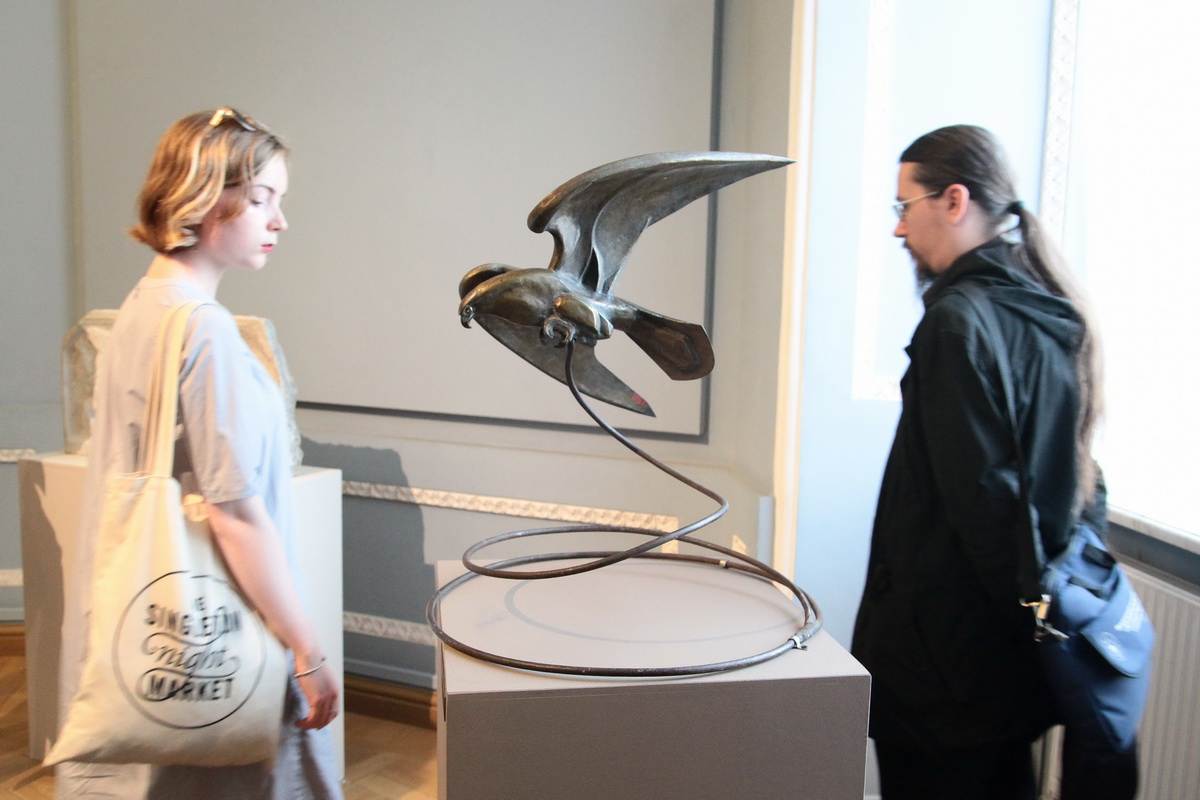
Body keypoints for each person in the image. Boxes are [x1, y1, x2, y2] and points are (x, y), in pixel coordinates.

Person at [57, 108, 342, 799]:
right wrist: (307, 649)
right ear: (205, 194)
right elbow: (234, 513)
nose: (279, 221)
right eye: (263, 198)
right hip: (218, 623)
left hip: (155, 616)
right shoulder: (205, 332)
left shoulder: (141, 307)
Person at [850, 125, 1131, 800]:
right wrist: (1038, 626)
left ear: (954, 200)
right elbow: (1081, 485)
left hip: (945, 667)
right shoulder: (1050, 310)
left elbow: (985, 501)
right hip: (1011, 663)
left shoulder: (957, 322)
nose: (898, 230)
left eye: (903, 207)